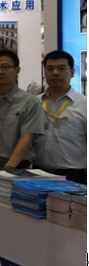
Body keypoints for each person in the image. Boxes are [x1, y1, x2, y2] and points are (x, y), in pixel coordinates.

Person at [34, 50, 87, 184]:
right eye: (50, 69)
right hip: (37, 173)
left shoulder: (84, 105)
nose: (55, 73)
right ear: (44, 72)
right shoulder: (34, 103)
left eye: (62, 68)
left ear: (72, 72)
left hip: (73, 177)